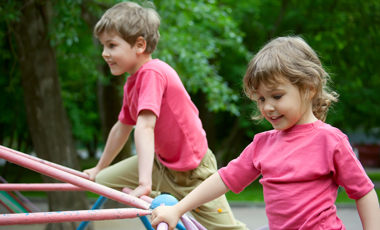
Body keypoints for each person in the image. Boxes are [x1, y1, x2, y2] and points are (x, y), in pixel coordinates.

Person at [151, 36, 380, 230]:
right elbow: (224, 178)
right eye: (261, 99)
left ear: (309, 88)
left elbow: (364, 191)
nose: (267, 107)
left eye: (277, 96)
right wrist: (178, 209)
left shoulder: (330, 140)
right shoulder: (262, 144)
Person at [83, 2, 246, 229]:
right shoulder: (132, 83)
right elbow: (122, 127)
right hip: (162, 165)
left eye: (111, 45)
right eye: (103, 45)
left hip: (193, 172)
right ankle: (163, 199)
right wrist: (99, 167)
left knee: (227, 229)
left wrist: (144, 183)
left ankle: (166, 198)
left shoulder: (152, 73)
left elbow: (145, 127)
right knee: (103, 181)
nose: (104, 53)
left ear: (139, 45)